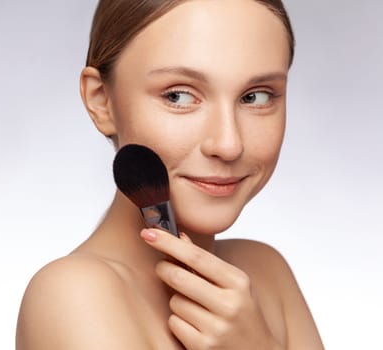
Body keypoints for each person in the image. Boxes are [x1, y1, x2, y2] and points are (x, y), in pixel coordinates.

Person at [16, 0, 324, 349]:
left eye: (255, 97)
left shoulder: (266, 271)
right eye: (178, 96)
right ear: (101, 100)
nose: (228, 144)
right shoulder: (72, 293)